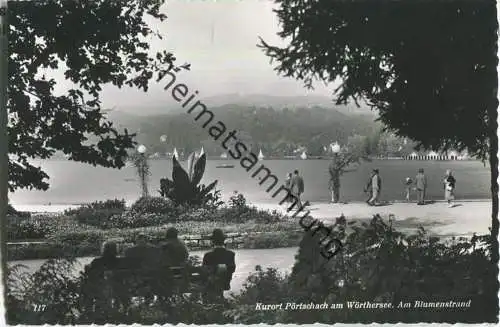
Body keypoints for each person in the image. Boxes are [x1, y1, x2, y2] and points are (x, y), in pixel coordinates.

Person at [202, 229, 236, 303]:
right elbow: (232, 269)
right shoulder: (231, 254)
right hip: (225, 282)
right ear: (223, 241)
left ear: (213, 242)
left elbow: (204, 270)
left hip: (211, 283)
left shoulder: (208, 255)